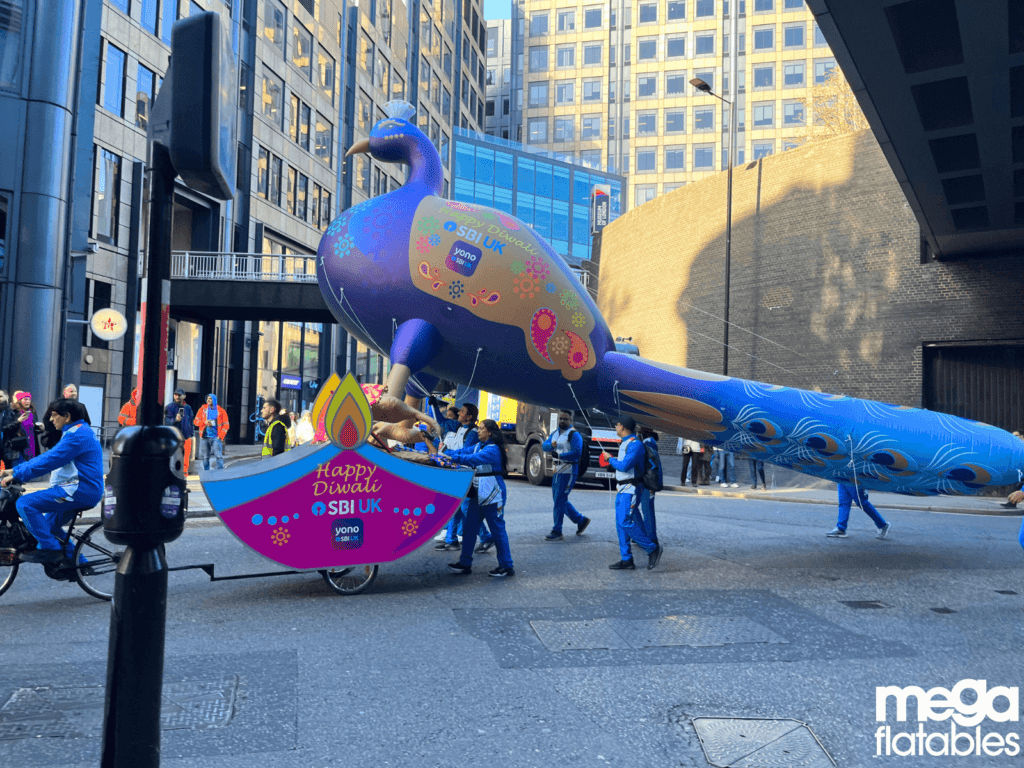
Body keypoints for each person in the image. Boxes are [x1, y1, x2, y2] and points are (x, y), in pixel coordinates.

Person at [0, 399, 102, 563]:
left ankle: (50, 549)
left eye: (54, 415)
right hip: (81, 489)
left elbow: (51, 460)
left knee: (25, 504)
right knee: (49, 527)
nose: (51, 419)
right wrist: (15, 470)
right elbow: (48, 457)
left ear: (67, 416)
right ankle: (79, 564)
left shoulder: (77, 435)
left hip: (78, 490)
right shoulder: (78, 431)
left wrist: (18, 475)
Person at [443, 419, 515, 577]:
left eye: (481, 428)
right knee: (469, 528)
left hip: (492, 493)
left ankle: (506, 566)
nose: (478, 431)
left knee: (497, 530)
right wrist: (446, 453)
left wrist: (450, 457)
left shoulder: (492, 449)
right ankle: (465, 563)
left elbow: (472, 459)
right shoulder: (479, 446)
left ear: (489, 432)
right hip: (479, 492)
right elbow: (464, 451)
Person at [600, 416, 663, 571]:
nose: (615, 427)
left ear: (622, 427)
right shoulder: (626, 443)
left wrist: (610, 459)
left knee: (624, 522)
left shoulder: (635, 444)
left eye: (617, 425)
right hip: (623, 488)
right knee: (620, 524)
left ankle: (652, 548)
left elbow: (624, 466)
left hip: (631, 489)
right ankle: (626, 559)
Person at [431, 401, 480, 551]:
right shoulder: (458, 426)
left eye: (462, 411)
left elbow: (465, 453)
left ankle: (485, 536)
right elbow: (441, 421)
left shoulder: (472, 433)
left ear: (469, 416)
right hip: (456, 471)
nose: (459, 413)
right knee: (454, 506)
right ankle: (451, 539)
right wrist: (434, 406)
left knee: (465, 508)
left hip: (464, 473)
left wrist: (448, 453)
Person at [541, 410, 591, 541]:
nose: (562, 421)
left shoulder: (574, 435)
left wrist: (560, 456)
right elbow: (544, 446)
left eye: (565, 419)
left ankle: (557, 530)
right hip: (557, 470)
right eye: (561, 418)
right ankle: (580, 520)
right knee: (559, 499)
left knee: (559, 499)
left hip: (569, 470)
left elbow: (577, 453)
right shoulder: (555, 433)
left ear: (571, 421)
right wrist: (550, 445)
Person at [40, 384, 91, 450]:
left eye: (75, 391)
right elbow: (46, 419)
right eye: (71, 391)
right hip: (61, 439)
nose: (74, 393)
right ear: (64, 393)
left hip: (65, 439)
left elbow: (87, 422)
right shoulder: (56, 405)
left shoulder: (81, 406)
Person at [194, 393, 230, 470]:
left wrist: (220, 436)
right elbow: (196, 421)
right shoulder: (202, 409)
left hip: (216, 437)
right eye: (207, 398)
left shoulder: (221, 411)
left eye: (210, 398)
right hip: (204, 437)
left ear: (214, 400)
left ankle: (220, 473)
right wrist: (204, 422)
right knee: (205, 457)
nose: (208, 400)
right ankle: (207, 473)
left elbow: (226, 425)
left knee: (218, 456)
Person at [638, 428, 661, 546]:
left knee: (647, 510)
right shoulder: (650, 441)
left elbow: (651, 464)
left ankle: (651, 537)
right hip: (649, 481)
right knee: (647, 509)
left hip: (648, 482)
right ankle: (647, 535)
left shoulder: (648, 443)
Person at [164, 388, 195, 475]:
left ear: (183, 396)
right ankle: (175, 472)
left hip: (187, 435)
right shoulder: (169, 407)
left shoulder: (188, 408)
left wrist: (191, 433)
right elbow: (167, 421)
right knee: (175, 455)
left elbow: (191, 421)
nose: (177, 396)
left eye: (179, 395)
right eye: (175, 394)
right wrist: (175, 420)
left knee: (186, 455)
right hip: (175, 436)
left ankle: (185, 472)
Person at [11, 391, 42, 465]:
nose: (27, 401)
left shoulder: (32, 412)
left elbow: (35, 429)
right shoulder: (13, 412)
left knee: (30, 466)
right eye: (25, 399)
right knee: (19, 466)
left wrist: (40, 428)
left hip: (31, 444)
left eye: (29, 399)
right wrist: (18, 421)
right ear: (19, 401)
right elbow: (8, 428)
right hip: (18, 445)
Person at [0, 390, 28, 470]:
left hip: (10, 447)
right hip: (3, 447)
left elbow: (5, 428)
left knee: (13, 470)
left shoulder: (13, 411)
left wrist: (17, 422)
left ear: (7, 397)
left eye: (1, 396)